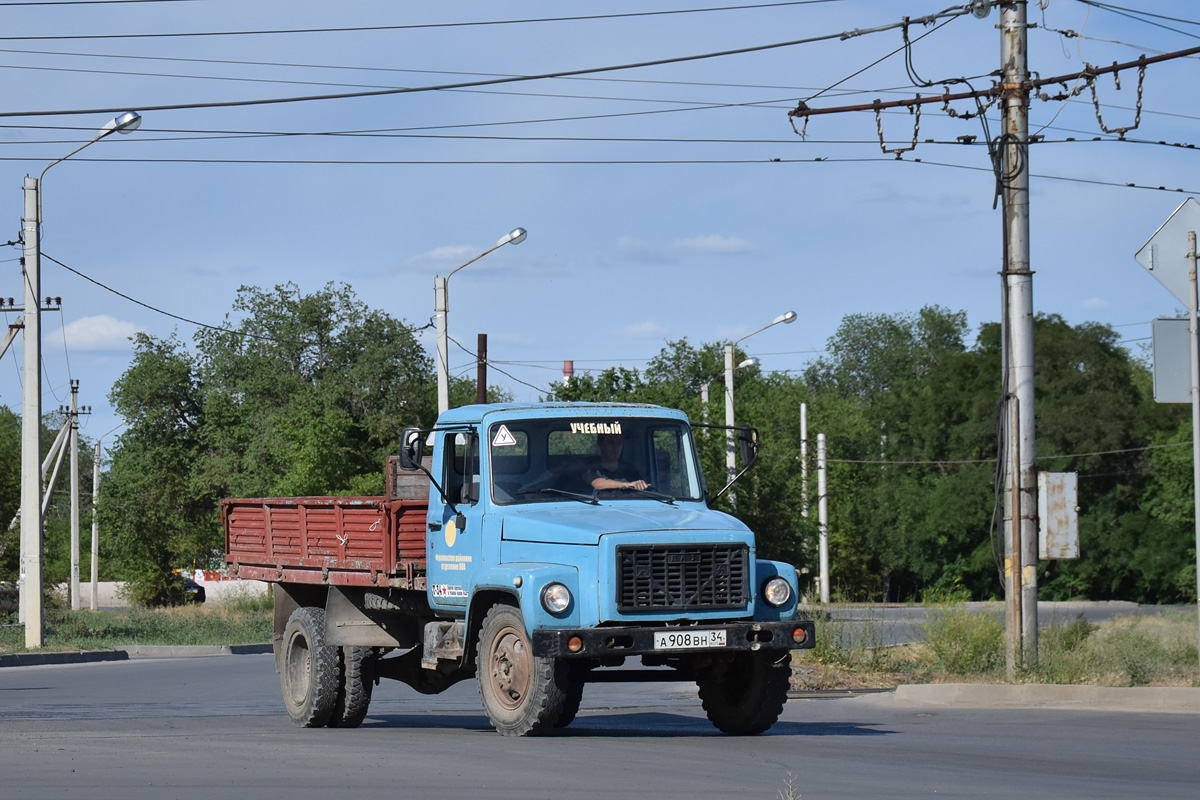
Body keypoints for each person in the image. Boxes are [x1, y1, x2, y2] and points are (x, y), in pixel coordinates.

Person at [584, 432, 650, 491]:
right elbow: (597, 484)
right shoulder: (589, 466)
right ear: (600, 443)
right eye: (611, 442)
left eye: (619, 443)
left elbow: (643, 490)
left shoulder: (630, 470)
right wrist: (628, 485)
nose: (615, 447)